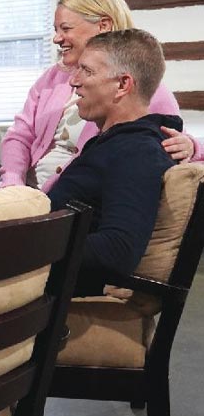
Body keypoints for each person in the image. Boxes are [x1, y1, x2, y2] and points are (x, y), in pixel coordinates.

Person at [0, 0, 201, 192]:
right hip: (23, 194)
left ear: (103, 26)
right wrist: (12, 182)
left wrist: (191, 147)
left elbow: (180, 142)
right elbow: (19, 136)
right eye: (56, 30)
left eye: (66, 28)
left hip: (64, 204)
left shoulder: (147, 90)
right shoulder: (52, 77)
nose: (56, 38)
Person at [47, 29, 180, 295]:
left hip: (42, 298)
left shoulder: (136, 152)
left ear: (122, 85)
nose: (74, 81)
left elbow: (118, 249)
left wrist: (23, 246)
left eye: (87, 71)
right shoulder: (112, 143)